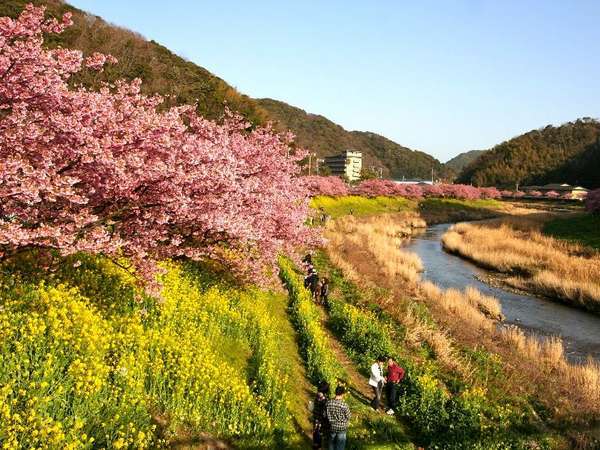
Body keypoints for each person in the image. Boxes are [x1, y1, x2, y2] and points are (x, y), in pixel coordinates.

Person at [324, 385, 351, 450]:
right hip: (342, 428)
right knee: (340, 445)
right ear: (342, 394)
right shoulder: (344, 405)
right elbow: (349, 416)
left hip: (332, 426)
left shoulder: (328, 403)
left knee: (331, 443)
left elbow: (324, 414)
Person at [312, 381, 330, 449]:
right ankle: (317, 447)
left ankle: (315, 446)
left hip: (315, 418)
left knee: (315, 435)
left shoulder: (317, 396)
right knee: (319, 436)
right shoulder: (324, 400)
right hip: (321, 420)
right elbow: (325, 412)